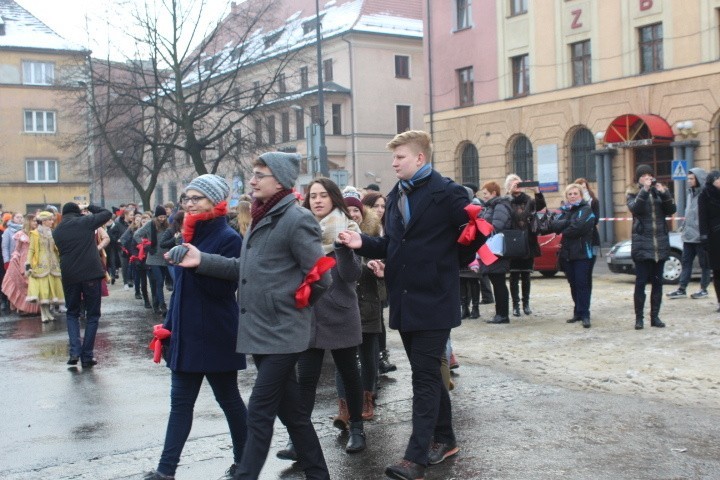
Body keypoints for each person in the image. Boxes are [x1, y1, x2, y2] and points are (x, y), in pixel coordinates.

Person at [170, 153, 331, 480]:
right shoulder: (260, 217)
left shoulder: (296, 219)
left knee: (259, 412)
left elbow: (320, 277)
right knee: (294, 416)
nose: (253, 180)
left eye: (260, 175)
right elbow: (245, 270)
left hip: (283, 333)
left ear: (281, 181)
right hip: (260, 332)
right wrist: (201, 260)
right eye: (253, 174)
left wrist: (287, 306)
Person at [338, 130, 469, 480]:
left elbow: (473, 234)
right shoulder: (396, 195)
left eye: (400, 157)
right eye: (393, 157)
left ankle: (416, 458)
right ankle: (446, 438)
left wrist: (450, 266)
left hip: (436, 300)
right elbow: (392, 245)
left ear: (420, 159)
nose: (393, 163)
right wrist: (360, 241)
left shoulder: (448, 193)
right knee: (427, 375)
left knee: (424, 379)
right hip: (405, 300)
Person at [145, 174, 247, 480]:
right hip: (186, 334)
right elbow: (181, 293)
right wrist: (168, 328)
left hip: (215, 332)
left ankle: (244, 463)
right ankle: (165, 471)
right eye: (186, 198)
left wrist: (198, 262)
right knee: (180, 405)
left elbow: (222, 292)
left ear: (215, 202)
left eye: (197, 198)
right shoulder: (187, 236)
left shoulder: (229, 238)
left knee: (229, 401)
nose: (189, 204)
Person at [278, 177, 365, 459]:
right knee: (306, 379)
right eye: (312, 195)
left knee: (350, 374)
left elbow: (352, 276)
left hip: (340, 311)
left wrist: (343, 248)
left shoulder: (348, 229)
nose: (317, 200)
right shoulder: (301, 231)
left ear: (334, 198)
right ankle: (298, 440)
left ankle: (357, 429)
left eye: (323, 195)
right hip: (310, 314)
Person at [340, 188, 384, 423]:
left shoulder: (374, 236)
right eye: (347, 210)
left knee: (368, 356)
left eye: (356, 209)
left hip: (368, 303)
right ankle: (344, 406)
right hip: (344, 305)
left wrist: (378, 270)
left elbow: (386, 267)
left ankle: (368, 399)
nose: (352, 214)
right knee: (343, 358)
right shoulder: (333, 235)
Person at [52, 203, 112, 366]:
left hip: (70, 275)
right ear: (78, 212)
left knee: (72, 313)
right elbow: (106, 213)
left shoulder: (57, 230)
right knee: (92, 315)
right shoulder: (85, 222)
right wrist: (90, 206)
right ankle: (87, 355)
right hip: (91, 273)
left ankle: (74, 352)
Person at [627, 164, 677, 330]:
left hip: (660, 244)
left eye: (650, 174)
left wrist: (665, 193)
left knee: (658, 283)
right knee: (640, 282)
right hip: (642, 244)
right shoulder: (633, 193)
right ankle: (639, 318)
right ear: (638, 178)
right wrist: (645, 190)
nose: (647, 177)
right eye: (644, 175)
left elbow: (671, 210)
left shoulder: (658, 192)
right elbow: (636, 209)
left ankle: (655, 317)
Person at [549, 184, 596, 328]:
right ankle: (577, 311)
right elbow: (554, 225)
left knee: (583, 284)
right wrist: (568, 223)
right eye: (570, 194)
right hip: (567, 253)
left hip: (582, 253)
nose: (573, 196)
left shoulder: (586, 209)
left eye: (575, 193)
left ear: (581, 195)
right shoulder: (564, 211)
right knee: (573, 284)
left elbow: (579, 228)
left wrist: (564, 228)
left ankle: (585, 314)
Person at [361, 191, 397, 375]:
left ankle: (380, 357)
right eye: (376, 206)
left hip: (384, 278)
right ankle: (375, 361)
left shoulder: (388, 225)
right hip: (368, 280)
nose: (380, 210)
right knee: (374, 322)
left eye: (383, 206)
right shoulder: (366, 226)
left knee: (379, 320)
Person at [666, 168, 711, 300]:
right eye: (688, 179)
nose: (689, 181)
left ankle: (703, 289)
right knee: (686, 263)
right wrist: (683, 228)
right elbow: (688, 214)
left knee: (705, 264)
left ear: (699, 179)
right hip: (688, 236)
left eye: (692, 179)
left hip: (701, 236)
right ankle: (682, 289)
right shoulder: (690, 193)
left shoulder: (705, 194)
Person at [505, 174, 546, 317]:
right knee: (514, 275)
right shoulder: (507, 201)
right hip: (512, 242)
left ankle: (526, 304)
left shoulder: (529, 200)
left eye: (518, 183)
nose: (516, 185)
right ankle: (515, 305)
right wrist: (509, 193)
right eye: (512, 183)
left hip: (528, 241)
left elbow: (541, 206)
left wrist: (536, 190)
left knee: (526, 275)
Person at [478, 181, 513, 324]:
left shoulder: (499, 206)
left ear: (493, 193)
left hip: (497, 250)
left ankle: (502, 315)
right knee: (496, 281)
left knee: (498, 282)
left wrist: (481, 225)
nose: (483, 196)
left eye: (485, 193)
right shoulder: (491, 206)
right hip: (492, 249)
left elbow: (497, 225)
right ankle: (500, 313)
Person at [26, 211, 65, 323]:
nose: (52, 222)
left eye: (52, 219)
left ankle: (48, 312)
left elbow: (56, 248)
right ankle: (44, 313)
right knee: (43, 290)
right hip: (40, 264)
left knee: (51, 289)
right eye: (50, 220)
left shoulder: (53, 233)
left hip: (53, 263)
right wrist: (28, 263)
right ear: (44, 221)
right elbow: (31, 249)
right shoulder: (35, 233)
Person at [134, 206, 171, 315]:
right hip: (153, 257)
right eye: (160, 217)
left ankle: (156, 303)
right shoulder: (150, 225)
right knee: (159, 281)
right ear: (156, 217)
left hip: (164, 257)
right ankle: (162, 305)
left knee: (160, 282)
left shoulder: (167, 226)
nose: (162, 219)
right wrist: (145, 246)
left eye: (164, 216)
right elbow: (137, 235)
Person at [1, 214, 39, 315]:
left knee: (34, 284)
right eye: (33, 221)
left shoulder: (37, 233)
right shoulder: (20, 234)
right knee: (24, 284)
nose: (35, 223)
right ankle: (24, 308)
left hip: (36, 260)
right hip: (24, 260)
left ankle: (37, 309)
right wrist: (12, 260)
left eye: (36, 221)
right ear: (28, 222)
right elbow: (17, 249)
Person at [698, 170, 720, 312]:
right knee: (718, 271)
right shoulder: (705, 195)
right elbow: (702, 217)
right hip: (714, 237)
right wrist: (704, 236)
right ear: (712, 180)